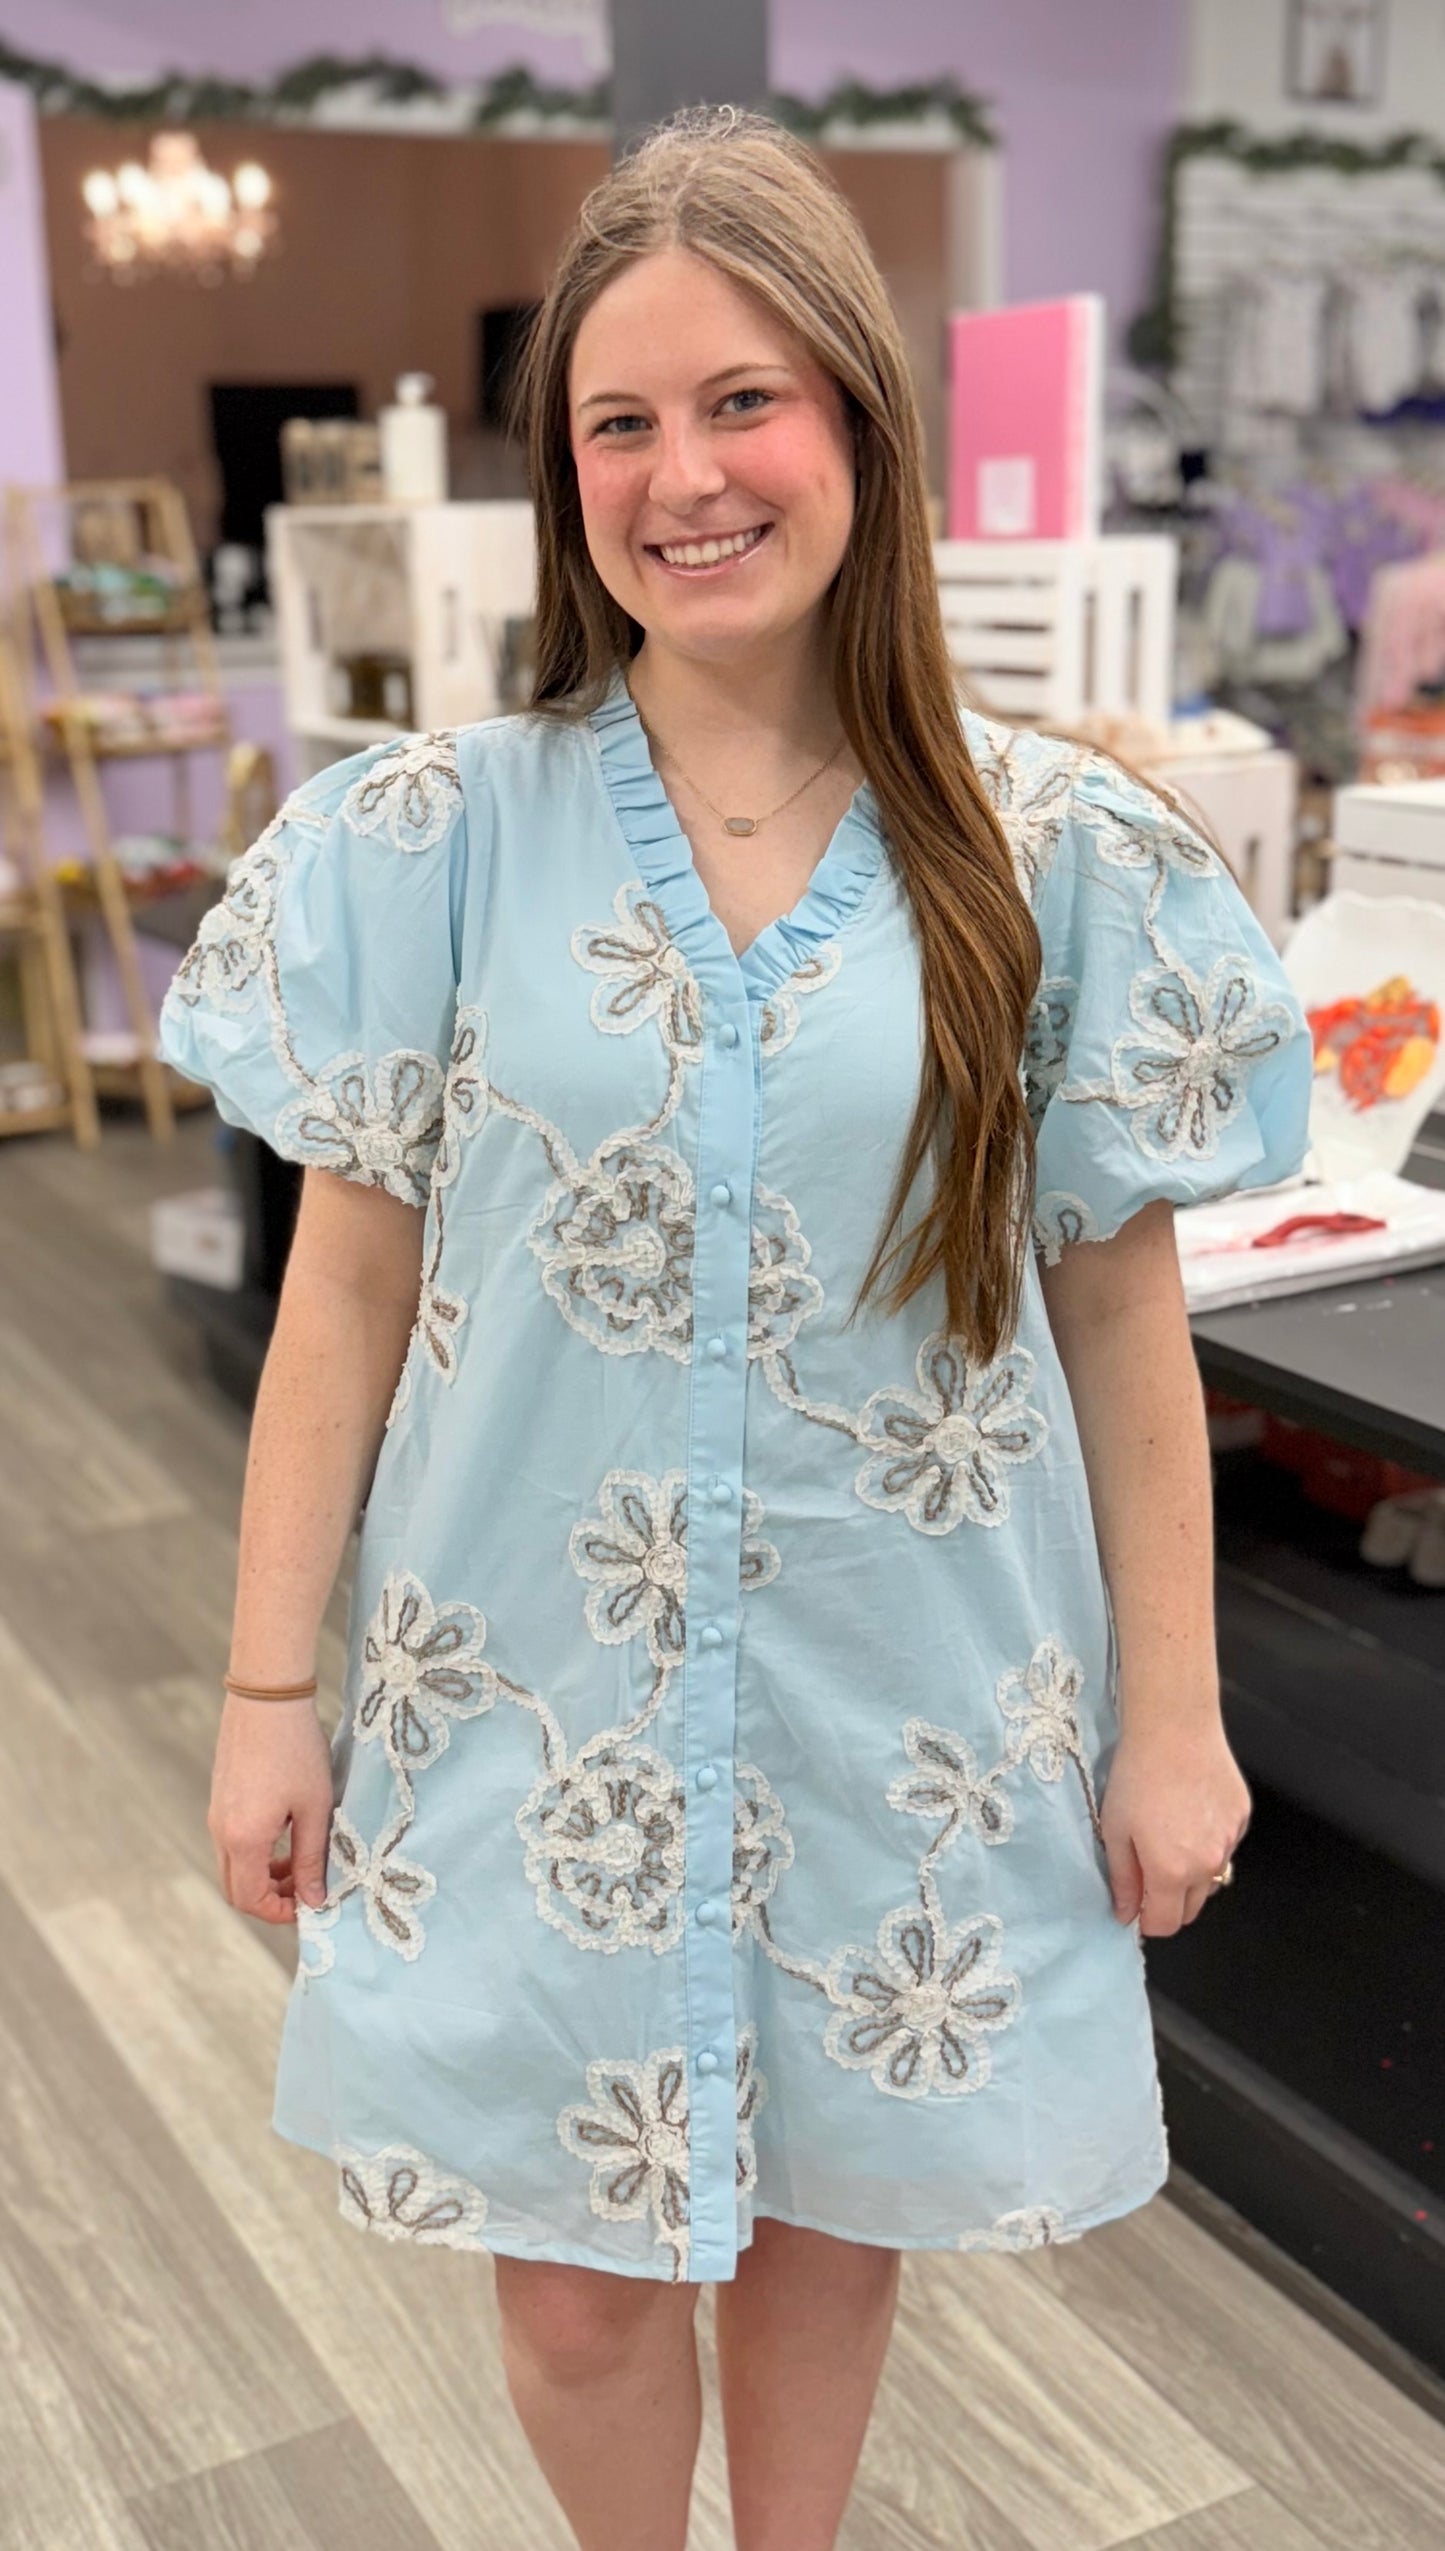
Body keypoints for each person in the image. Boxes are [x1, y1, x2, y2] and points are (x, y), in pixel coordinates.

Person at [159, 104, 1314, 2551]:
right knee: (574, 2282)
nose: (684, 474)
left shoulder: (1058, 861)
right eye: (620, 419)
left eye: (743, 401)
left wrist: (1181, 1721)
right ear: (567, 460)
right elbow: (344, 1295)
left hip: (897, 1690)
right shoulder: (434, 843)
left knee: (821, 2209)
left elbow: (1126, 1335)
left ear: (861, 432)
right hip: (525, 1695)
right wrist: (275, 1686)